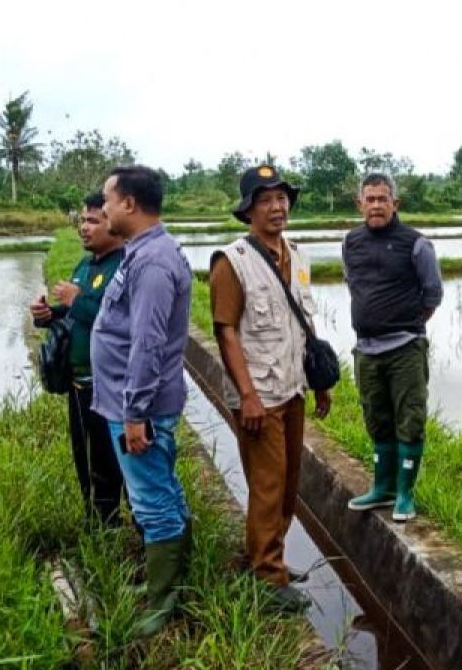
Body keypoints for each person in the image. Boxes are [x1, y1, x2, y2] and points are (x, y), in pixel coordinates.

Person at [209, 164, 330, 613]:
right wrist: (248, 395)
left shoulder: (296, 256)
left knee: (288, 483)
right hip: (258, 393)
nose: (277, 207)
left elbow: (305, 319)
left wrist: (319, 382)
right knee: (267, 484)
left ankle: (268, 557)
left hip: (292, 387)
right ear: (249, 210)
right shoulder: (231, 262)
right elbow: (227, 333)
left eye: (282, 199)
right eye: (266, 200)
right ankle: (265, 577)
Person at [91, 165, 193, 637]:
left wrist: (134, 414)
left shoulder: (152, 262)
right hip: (128, 402)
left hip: (139, 409)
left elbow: (148, 345)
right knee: (162, 490)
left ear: (129, 203)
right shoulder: (141, 253)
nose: (103, 208)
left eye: (108, 200)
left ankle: (162, 602)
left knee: (151, 501)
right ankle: (168, 582)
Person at [342, 172, 443, 521]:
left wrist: (405, 323)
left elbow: (433, 294)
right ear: (360, 204)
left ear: (395, 203)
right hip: (366, 350)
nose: (375, 205)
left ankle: (405, 494)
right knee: (377, 420)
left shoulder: (416, 243)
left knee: (409, 419)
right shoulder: (351, 242)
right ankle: (381, 488)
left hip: (404, 347)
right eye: (369, 199)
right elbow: (352, 285)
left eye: (382, 199)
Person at [30, 192, 126, 527]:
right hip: (79, 385)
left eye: (93, 221)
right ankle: (98, 525)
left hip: (111, 388)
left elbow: (120, 322)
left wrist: (77, 300)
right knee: (85, 459)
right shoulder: (85, 266)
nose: (83, 228)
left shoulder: (125, 266)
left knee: (112, 462)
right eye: (82, 221)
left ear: (114, 224)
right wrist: (47, 315)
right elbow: (73, 315)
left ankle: (118, 526)